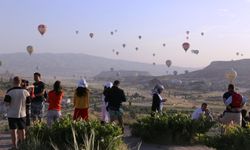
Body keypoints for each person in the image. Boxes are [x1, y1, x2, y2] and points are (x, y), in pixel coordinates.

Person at [4, 76, 31, 149]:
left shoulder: (9, 92)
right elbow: (28, 103)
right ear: (20, 82)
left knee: (13, 130)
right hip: (22, 114)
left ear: (13, 82)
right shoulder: (26, 92)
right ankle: (23, 146)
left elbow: (6, 103)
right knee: (22, 130)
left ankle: (14, 146)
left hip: (12, 114)